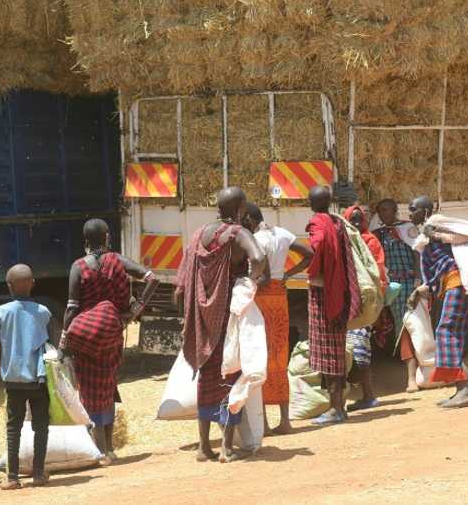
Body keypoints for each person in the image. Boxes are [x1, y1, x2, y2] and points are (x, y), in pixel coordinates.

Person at [175, 186, 265, 463]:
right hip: (229, 315)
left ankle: (204, 446)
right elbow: (259, 259)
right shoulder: (238, 234)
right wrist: (250, 281)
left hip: (202, 318)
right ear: (240, 209)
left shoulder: (199, 233)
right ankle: (226, 447)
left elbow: (182, 280)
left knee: (206, 376)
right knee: (230, 374)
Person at [60, 219, 159, 463]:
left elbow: (72, 307)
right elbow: (152, 278)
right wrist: (134, 310)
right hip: (113, 331)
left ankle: (98, 449)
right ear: (107, 238)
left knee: (89, 387)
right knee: (108, 384)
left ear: (85, 242)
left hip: (86, 335)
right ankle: (110, 448)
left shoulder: (78, 266)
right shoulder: (117, 260)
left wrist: (64, 340)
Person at [240, 202, 312, 435]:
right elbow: (308, 254)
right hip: (280, 297)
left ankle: (266, 425)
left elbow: (261, 271)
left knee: (260, 355)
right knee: (279, 356)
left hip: (261, 299)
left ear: (250, 219)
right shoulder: (282, 233)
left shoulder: (255, 240)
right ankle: (285, 421)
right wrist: (289, 274)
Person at [407, 196, 468, 409]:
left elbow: (467, 238)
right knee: (451, 331)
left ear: (426, 210)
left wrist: (436, 234)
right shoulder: (425, 234)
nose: (409, 214)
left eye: (413, 209)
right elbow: (434, 274)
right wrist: (419, 292)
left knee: (446, 331)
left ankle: (463, 389)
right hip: (453, 284)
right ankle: (460, 388)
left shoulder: (437, 224)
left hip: (457, 283)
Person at [0, 264, 51, 490]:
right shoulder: (44, 312)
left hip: (13, 378)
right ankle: (37, 473)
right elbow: (48, 345)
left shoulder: (1, 312)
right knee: (41, 426)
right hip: (38, 378)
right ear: (33, 284)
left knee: (13, 426)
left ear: (9, 286)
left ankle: (13, 477)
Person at [305, 186, 361, 425]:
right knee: (336, 352)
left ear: (311, 202)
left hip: (324, 294)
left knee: (328, 356)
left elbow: (319, 247)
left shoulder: (318, 223)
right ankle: (339, 407)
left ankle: (336, 409)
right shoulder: (338, 223)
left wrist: (310, 265)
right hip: (340, 292)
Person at [373, 198, 424, 392]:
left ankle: (412, 378)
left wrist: (418, 279)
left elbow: (417, 253)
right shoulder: (379, 235)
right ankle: (414, 375)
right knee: (402, 327)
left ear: (395, 210)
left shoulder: (407, 229)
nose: (384, 213)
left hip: (410, 283)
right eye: (381, 211)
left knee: (409, 327)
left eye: (388, 209)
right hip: (392, 286)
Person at [342, 204, 386, 413]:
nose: (357, 224)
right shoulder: (346, 242)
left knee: (359, 349)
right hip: (349, 302)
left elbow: (377, 272)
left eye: (360, 219)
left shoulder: (370, 241)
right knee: (351, 350)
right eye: (353, 220)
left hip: (365, 303)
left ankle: (368, 395)